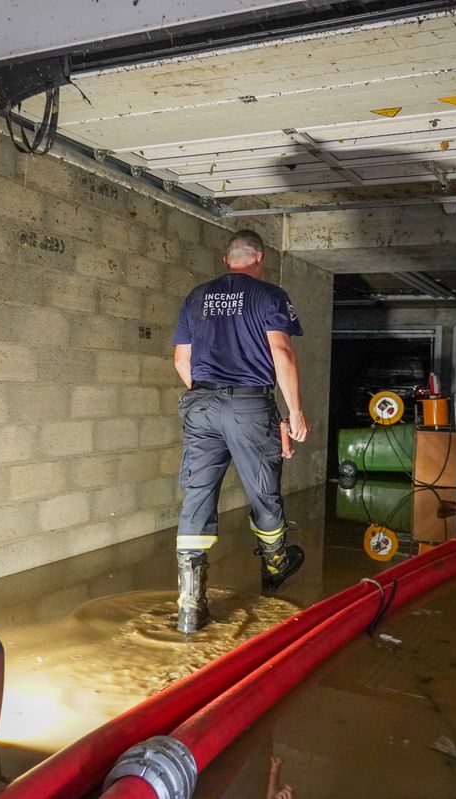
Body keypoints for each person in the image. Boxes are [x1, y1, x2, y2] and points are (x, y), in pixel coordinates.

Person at [171, 229, 308, 633]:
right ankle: (276, 562)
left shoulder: (196, 298)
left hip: (200, 403)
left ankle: (190, 607)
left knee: (196, 495)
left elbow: (182, 361)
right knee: (262, 488)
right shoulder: (270, 296)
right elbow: (281, 352)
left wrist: (207, 400)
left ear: (226, 259)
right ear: (259, 258)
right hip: (249, 403)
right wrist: (294, 412)